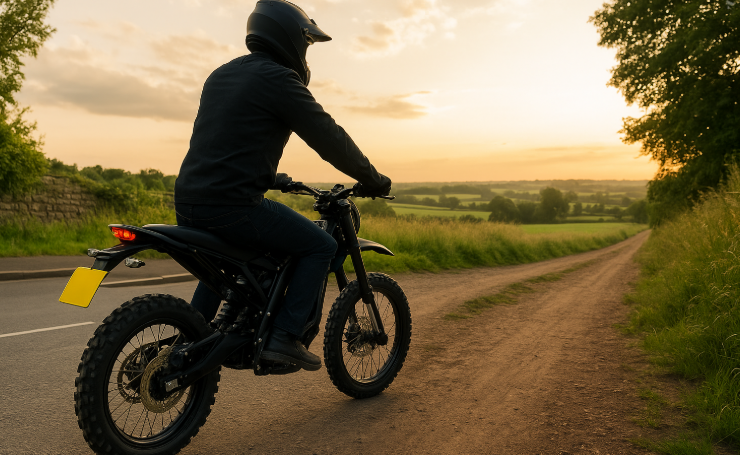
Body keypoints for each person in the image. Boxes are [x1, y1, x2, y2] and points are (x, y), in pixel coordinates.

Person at [173, 0, 391, 371]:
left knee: (225, 272)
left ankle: (187, 339)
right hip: (233, 206)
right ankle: (283, 337)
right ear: (292, 39)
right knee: (319, 245)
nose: (307, 53)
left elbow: (223, 140)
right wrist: (372, 178)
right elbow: (328, 136)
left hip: (189, 201)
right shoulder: (279, 79)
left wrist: (272, 178)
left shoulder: (221, 75)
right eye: (307, 43)